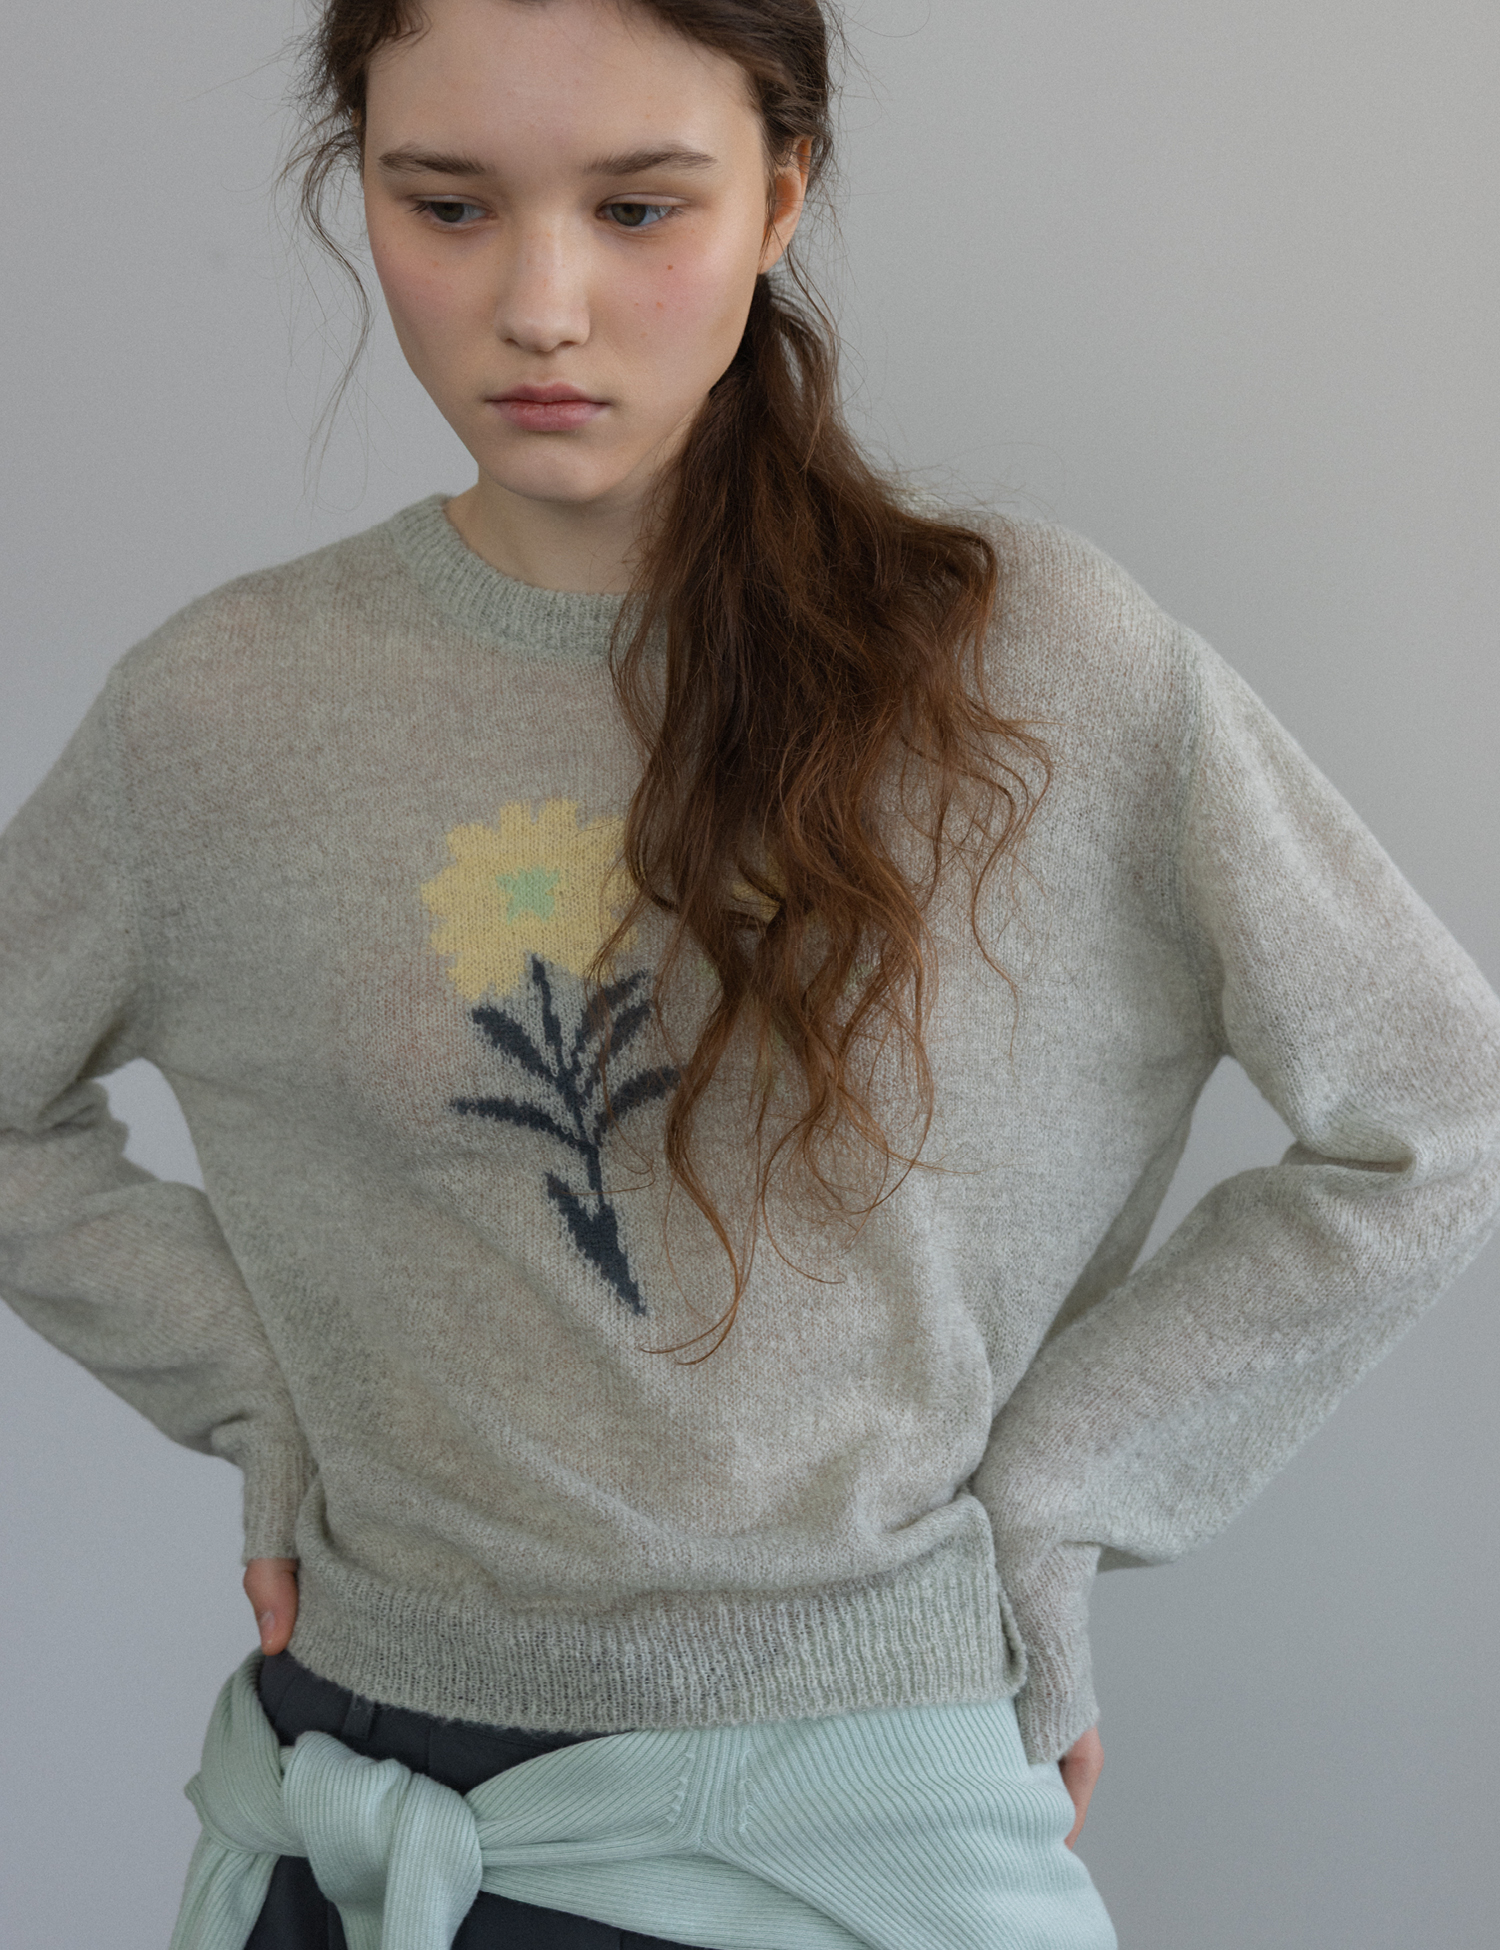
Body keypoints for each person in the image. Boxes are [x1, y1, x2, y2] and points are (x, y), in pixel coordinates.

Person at [1, 1, 1497, 1946]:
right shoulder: (221, 711)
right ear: (356, 182)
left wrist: (1059, 1502)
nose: (540, 306)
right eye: (446, 204)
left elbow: (1432, 1105)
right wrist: (261, 1397)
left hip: (854, 1835)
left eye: (639, 208)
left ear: (783, 193)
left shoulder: (1031, 666)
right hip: (361, 1827)